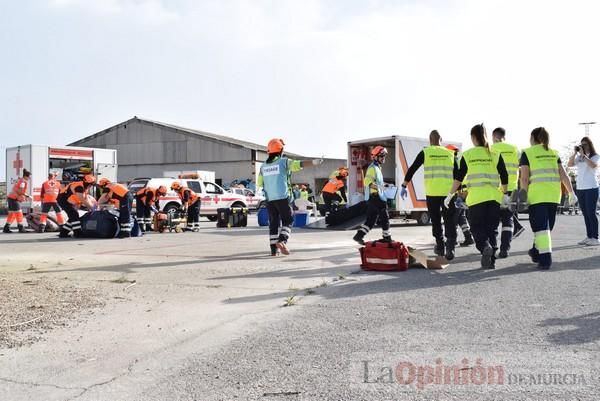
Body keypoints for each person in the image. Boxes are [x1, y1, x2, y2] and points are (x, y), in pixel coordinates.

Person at [445, 124, 509, 269]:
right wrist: (505, 194)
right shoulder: (495, 153)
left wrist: (450, 195)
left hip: (476, 199)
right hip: (494, 197)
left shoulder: (468, 155)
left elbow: (459, 178)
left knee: (476, 228)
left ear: (473, 137)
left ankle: (484, 247)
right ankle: (491, 260)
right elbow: (504, 175)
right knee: (491, 229)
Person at [521, 127, 576, 269]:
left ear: (533, 138)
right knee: (546, 227)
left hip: (537, 195)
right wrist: (571, 192)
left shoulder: (527, 152)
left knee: (541, 228)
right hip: (553, 195)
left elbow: (525, 178)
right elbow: (563, 175)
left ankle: (545, 260)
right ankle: (535, 251)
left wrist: (522, 195)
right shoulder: (554, 153)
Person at [257, 138, 322, 256]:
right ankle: (282, 240)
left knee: (273, 223)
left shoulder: (263, 166)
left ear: (269, 151)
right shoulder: (283, 162)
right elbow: (298, 164)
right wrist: (313, 162)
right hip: (282, 197)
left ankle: (273, 251)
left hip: (269, 199)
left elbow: (259, 183)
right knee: (288, 220)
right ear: (281, 150)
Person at [400, 130, 458, 259]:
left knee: (436, 220)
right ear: (440, 139)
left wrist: (404, 185)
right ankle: (451, 247)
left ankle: (440, 246)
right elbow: (458, 174)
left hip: (432, 193)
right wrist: (457, 191)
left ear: (430, 140)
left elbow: (413, 168)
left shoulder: (426, 152)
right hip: (448, 194)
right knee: (449, 220)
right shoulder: (450, 153)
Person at [491, 127, 525, 258]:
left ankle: (492, 248)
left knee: (493, 219)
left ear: (494, 136)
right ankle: (505, 249)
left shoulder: (491, 149)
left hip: (496, 189)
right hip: (511, 188)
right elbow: (522, 170)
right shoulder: (514, 149)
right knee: (507, 219)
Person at [353, 145, 392, 245]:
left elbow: (377, 183)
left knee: (371, 221)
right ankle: (387, 237)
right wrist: (381, 188)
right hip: (377, 198)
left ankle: (359, 236)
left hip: (373, 198)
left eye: (384, 156)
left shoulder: (377, 168)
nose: (384, 158)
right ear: (375, 157)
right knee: (385, 216)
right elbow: (368, 183)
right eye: (382, 156)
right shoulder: (373, 168)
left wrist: (385, 185)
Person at [567, 136, 599, 246]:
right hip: (581, 188)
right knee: (585, 213)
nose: (583, 146)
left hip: (591, 188)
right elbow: (569, 164)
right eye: (581, 144)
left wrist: (583, 155)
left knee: (591, 213)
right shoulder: (579, 157)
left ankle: (595, 237)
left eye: (585, 144)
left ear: (590, 145)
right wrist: (574, 153)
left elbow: (593, 166)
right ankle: (589, 236)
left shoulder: (595, 156)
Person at [4, 169, 31, 233]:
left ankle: (6, 228)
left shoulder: (20, 180)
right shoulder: (23, 182)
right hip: (13, 199)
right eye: (29, 177)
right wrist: (27, 195)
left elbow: (18, 190)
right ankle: (21, 228)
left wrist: (23, 196)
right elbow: (20, 191)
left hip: (11, 198)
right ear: (26, 176)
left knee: (11, 214)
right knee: (19, 213)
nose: (29, 178)